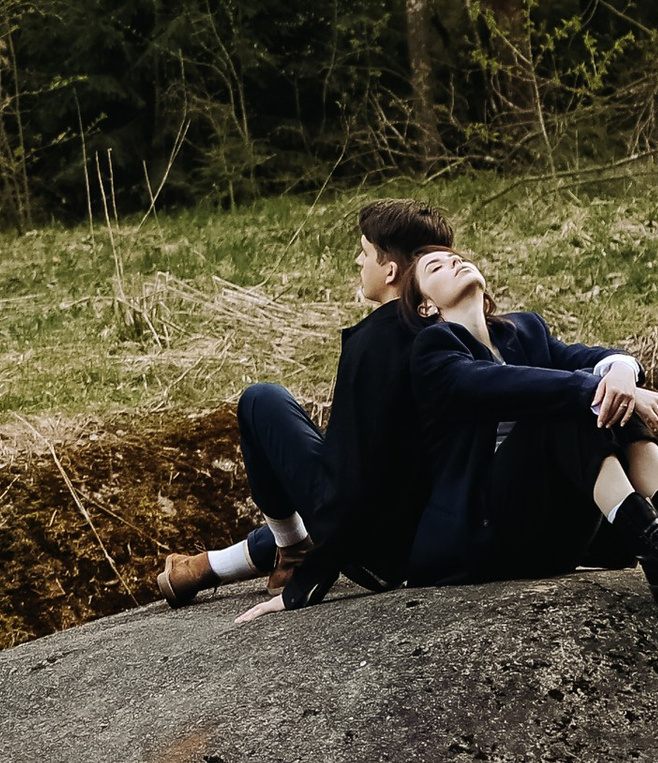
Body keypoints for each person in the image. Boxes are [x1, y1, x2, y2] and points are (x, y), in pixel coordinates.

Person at [398, 242, 658, 609]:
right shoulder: (433, 350)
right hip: (491, 536)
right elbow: (504, 385)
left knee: (606, 398)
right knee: (569, 406)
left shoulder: (523, 330)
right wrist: (606, 390)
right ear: (426, 305)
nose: (455, 261)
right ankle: (656, 547)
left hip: (557, 532)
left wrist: (621, 373)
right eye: (437, 267)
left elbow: (586, 358)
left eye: (456, 256)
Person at [160, 199, 454, 611]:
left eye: (365, 251)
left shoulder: (374, 346)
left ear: (389, 270)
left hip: (376, 552)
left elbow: (348, 492)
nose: (358, 259)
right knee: (326, 476)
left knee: (262, 400)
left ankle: (292, 551)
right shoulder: (449, 331)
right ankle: (213, 565)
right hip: (425, 532)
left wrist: (307, 586)